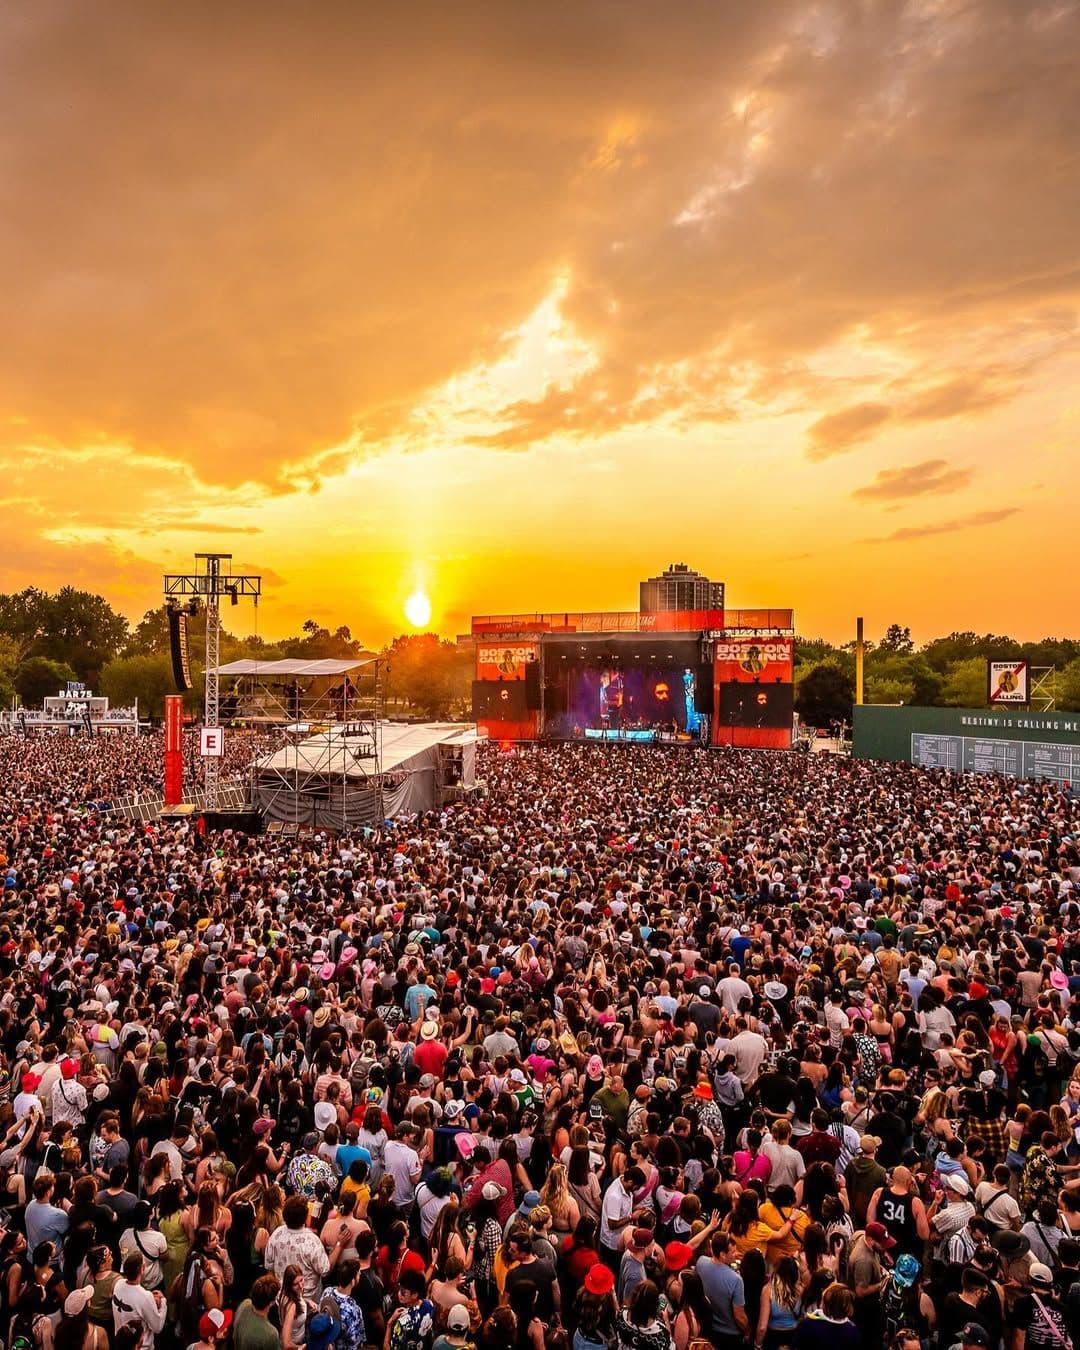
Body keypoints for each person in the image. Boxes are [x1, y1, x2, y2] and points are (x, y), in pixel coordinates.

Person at [110, 1252, 168, 1350]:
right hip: (139, 1346)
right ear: (142, 1269)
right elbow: (157, 1327)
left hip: (120, 1343)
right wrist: (163, 1302)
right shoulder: (145, 1296)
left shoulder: (118, 1284)